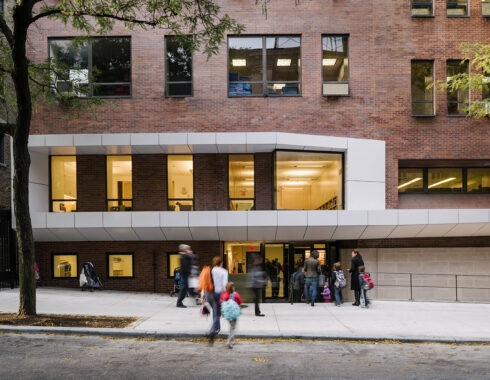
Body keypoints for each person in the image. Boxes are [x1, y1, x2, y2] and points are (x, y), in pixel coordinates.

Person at [207, 256, 228, 343]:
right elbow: (224, 285)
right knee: (217, 314)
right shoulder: (223, 271)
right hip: (219, 293)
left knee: (216, 311)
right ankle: (212, 330)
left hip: (209, 293)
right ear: (221, 263)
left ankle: (217, 329)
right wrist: (226, 294)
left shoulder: (210, 270)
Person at [220, 282, 243, 349]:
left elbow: (221, 302)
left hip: (227, 314)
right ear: (233, 288)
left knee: (231, 326)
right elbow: (240, 302)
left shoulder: (224, 294)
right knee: (233, 328)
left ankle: (232, 340)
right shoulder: (236, 294)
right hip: (234, 313)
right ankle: (229, 342)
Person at [176, 244, 193, 308]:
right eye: (188, 249)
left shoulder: (183, 256)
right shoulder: (183, 256)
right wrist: (189, 273)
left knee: (184, 289)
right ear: (185, 250)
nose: (189, 250)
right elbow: (185, 266)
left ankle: (179, 302)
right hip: (185, 275)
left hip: (184, 274)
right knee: (183, 289)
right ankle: (179, 303)